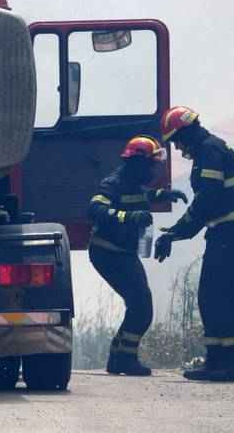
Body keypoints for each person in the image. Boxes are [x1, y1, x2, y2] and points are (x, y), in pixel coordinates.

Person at [154, 106, 234, 382]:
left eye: (176, 140)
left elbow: (206, 201)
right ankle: (216, 363)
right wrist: (177, 233)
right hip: (224, 232)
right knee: (210, 297)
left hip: (232, 231)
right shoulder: (206, 151)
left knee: (221, 297)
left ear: (186, 132)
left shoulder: (210, 152)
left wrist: (175, 233)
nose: (177, 148)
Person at [87, 136, 188, 376]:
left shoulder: (132, 182)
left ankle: (117, 356)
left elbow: (140, 195)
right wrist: (127, 217)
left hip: (124, 254)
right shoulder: (114, 182)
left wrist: (162, 194)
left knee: (138, 303)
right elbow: (94, 209)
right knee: (142, 304)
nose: (154, 170)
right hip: (107, 253)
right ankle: (126, 359)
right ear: (137, 164)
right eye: (152, 165)